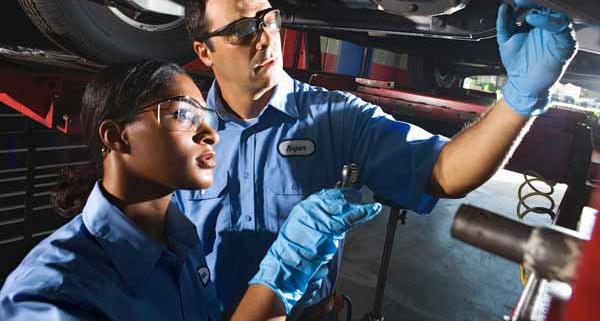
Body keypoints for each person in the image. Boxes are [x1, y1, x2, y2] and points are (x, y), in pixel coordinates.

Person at [180, 0, 578, 318]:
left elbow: (444, 172)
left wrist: (519, 98)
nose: (265, 38)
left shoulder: (336, 118)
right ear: (204, 52)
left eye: (269, 20)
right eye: (244, 30)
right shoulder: (182, 132)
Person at [0, 59, 382, 320]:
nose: (211, 133)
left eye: (207, 117)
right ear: (116, 137)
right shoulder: (53, 292)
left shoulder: (183, 244)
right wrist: (283, 269)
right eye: (184, 114)